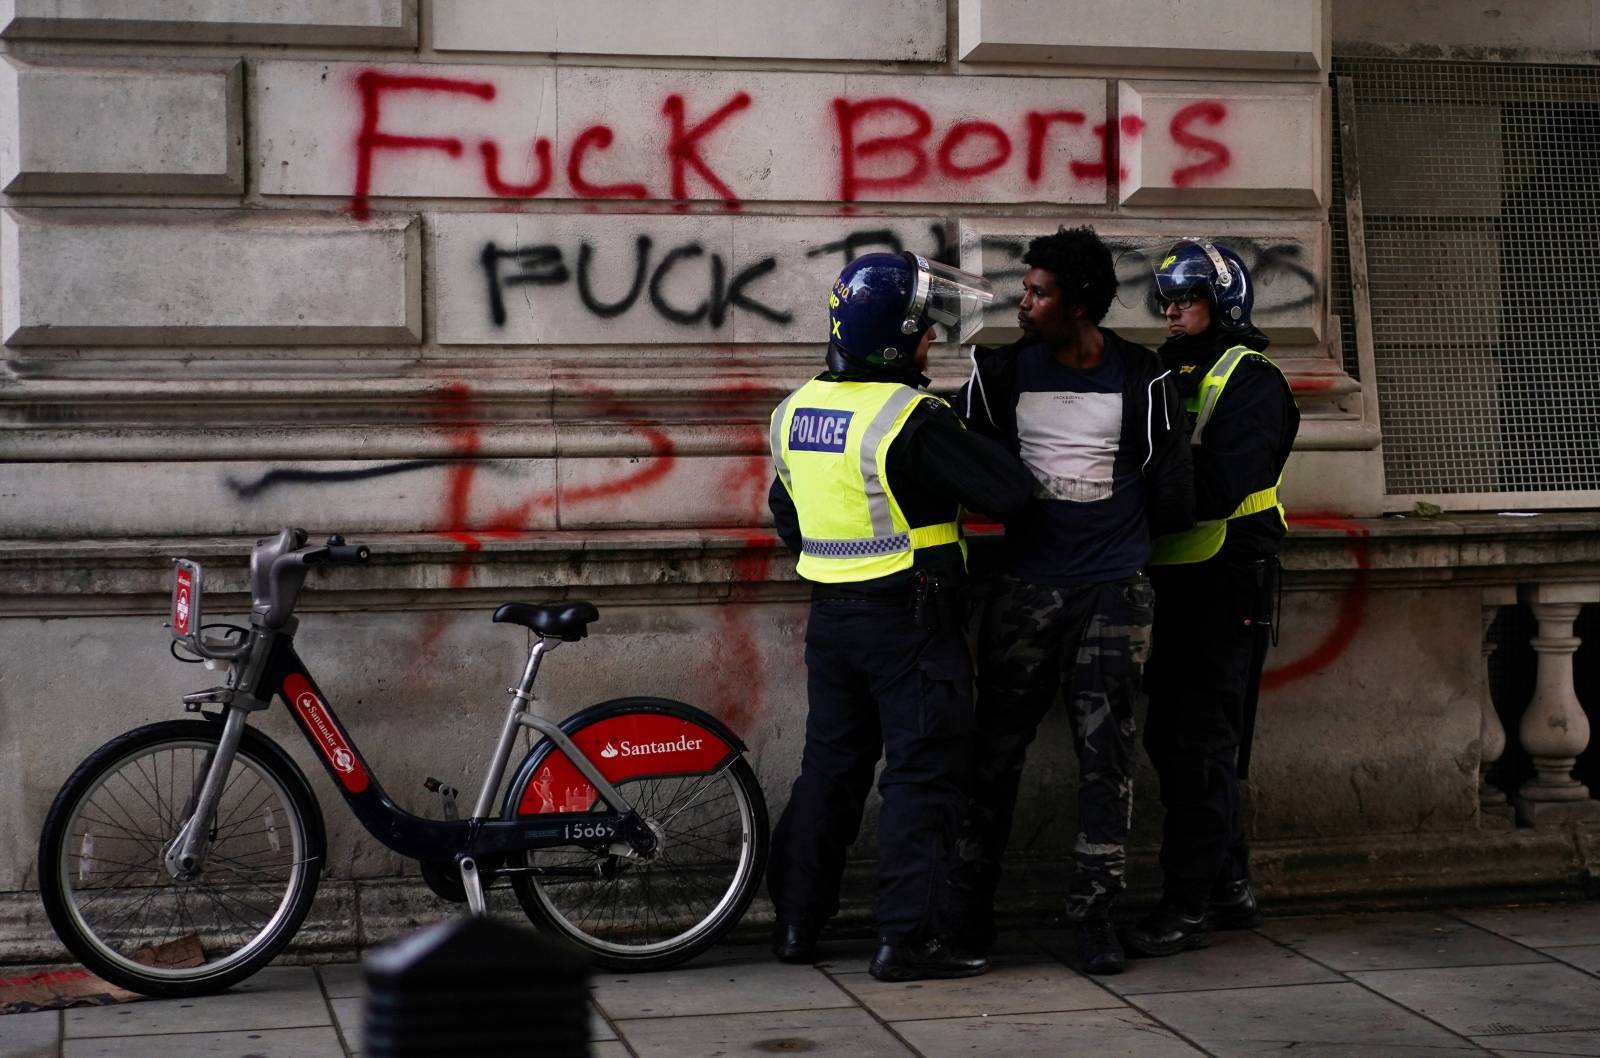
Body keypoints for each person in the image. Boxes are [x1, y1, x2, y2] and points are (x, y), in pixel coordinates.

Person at [766, 251, 1035, 982]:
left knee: (829, 769)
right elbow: (1008, 494)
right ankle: (906, 940)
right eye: (924, 333)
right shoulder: (910, 417)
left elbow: (786, 513)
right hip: (911, 619)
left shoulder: (794, 410)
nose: (932, 344)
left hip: (833, 619)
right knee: (921, 777)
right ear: (895, 341)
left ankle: (796, 922)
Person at [947, 226, 1193, 976]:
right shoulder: (1000, 374)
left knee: (1106, 756)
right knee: (993, 754)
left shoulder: (1143, 378)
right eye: (1026, 289)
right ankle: (967, 911)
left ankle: (1094, 916)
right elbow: (966, 460)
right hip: (1025, 590)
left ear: (1080, 303)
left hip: (1113, 592)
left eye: (1039, 292)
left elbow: (1173, 490)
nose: (1024, 302)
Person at [1123, 239, 1300, 958]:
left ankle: (1189, 902)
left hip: (1227, 581)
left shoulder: (1253, 379)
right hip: (1173, 578)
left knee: (1200, 746)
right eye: (1164, 299)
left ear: (1222, 302)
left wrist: (1137, 484)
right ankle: (1228, 884)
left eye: (1185, 298)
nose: (1170, 310)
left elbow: (1221, 484)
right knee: (1179, 740)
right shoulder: (1162, 369)